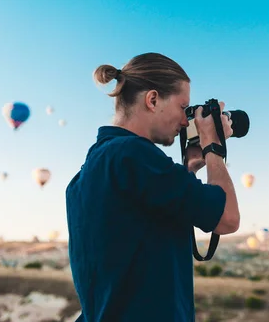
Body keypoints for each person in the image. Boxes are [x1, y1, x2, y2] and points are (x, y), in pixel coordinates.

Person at [66, 52, 240, 322]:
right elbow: (228, 219)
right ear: (153, 99)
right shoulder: (134, 155)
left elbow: (138, 238)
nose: (186, 121)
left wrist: (191, 167)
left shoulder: (93, 167)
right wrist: (213, 146)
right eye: (183, 107)